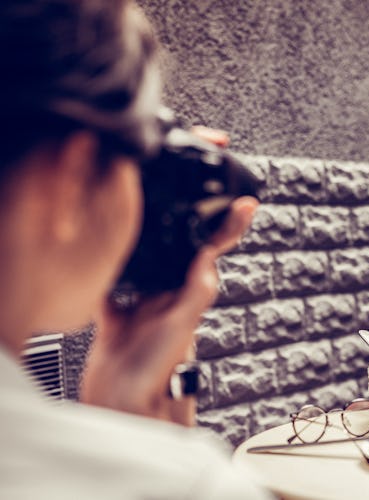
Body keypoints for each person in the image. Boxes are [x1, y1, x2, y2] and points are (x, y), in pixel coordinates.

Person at [0, 0, 273, 497]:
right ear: (74, 177)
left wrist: (123, 412)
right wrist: (156, 453)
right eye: (141, 152)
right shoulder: (182, 485)